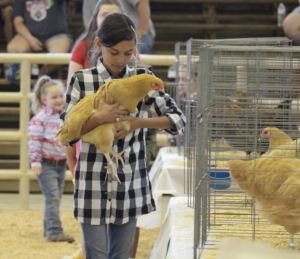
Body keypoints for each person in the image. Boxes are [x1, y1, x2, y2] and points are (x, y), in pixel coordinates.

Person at [60, 12, 186, 259]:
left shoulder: (142, 76)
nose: (121, 59)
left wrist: (138, 122)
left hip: (130, 180)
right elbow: (66, 135)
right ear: (98, 45)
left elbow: (178, 120)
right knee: (95, 255)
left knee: (121, 256)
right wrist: (99, 118)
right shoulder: (82, 80)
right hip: (91, 181)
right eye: (114, 52)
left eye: (128, 53)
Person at [28, 76, 75, 243]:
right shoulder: (40, 119)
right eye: (54, 97)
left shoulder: (65, 115)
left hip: (61, 165)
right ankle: (55, 231)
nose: (59, 100)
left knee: (55, 197)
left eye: (61, 96)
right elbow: (34, 141)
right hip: (46, 165)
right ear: (44, 100)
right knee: (53, 197)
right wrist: (35, 162)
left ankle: (48, 228)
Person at [7, 0, 72, 76]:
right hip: (29, 34)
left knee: (58, 57)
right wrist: (30, 39)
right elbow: (18, 22)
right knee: (13, 48)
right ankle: (29, 74)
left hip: (57, 34)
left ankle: (40, 77)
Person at [82, 0, 155, 54]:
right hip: (100, 33)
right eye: (104, 15)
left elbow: (142, 1)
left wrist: (142, 29)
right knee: (81, 43)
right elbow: (88, 21)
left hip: (131, 30)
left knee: (139, 44)